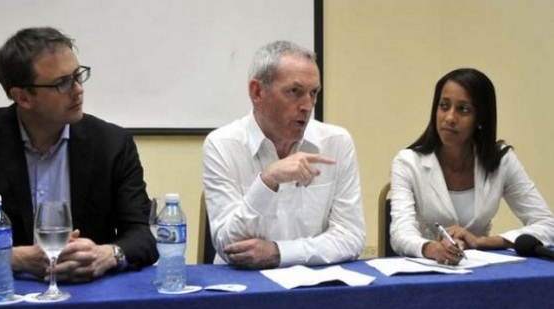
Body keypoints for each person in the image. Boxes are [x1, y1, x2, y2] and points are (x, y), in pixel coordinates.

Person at [0, 27, 158, 282]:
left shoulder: (112, 144)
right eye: (62, 83)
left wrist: (107, 255)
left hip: (89, 296)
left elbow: (143, 233)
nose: (78, 89)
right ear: (23, 97)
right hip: (4, 296)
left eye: (78, 76)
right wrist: (12, 258)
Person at [202, 40, 366, 269]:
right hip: (245, 287)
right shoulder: (222, 145)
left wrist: (279, 253)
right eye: (295, 92)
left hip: (316, 283)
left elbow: (351, 236)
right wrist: (267, 181)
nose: (308, 105)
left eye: (314, 93)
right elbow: (230, 246)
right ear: (257, 92)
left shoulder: (336, 142)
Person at [390, 68, 554, 265]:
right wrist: (433, 249)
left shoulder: (501, 160)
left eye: (463, 109)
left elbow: (547, 224)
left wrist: (483, 241)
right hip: (429, 270)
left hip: (482, 272)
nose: (450, 117)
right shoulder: (408, 162)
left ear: (480, 119)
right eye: (444, 106)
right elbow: (400, 234)